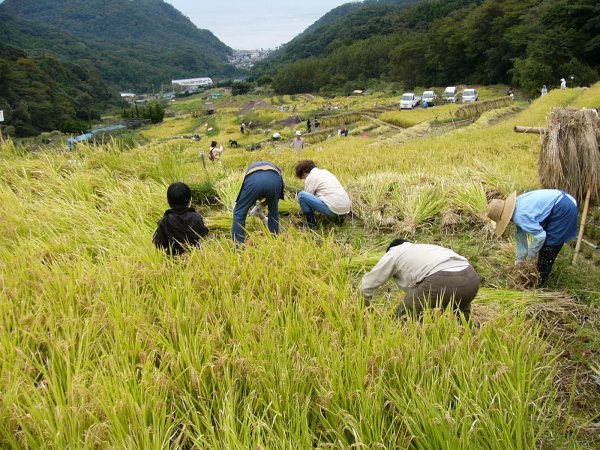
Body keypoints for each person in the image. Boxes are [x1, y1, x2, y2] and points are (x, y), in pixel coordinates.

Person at [361, 239, 480, 320]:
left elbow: (368, 285)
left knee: (405, 312)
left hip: (442, 279)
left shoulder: (394, 252)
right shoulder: (425, 248)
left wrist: (361, 308)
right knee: (461, 312)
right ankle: (469, 334)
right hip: (471, 278)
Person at [487, 189, 578, 286]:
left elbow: (540, 236)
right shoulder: (516, 206)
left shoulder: (519, 216)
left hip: (564, 207)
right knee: (544, 248)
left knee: (548, 248)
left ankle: (540, 284)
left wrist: (531, 254)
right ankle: (539, 277)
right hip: (560, 200)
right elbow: (521, 239)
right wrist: (519, 262)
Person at [232, 161, 284, 244]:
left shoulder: (250, 170)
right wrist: (262, 205)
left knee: (239, 213)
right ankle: (274, 241)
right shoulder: (278, 175)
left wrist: (244, 205)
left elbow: (251, 194)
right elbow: (273, 198)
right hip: (274, 182)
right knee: (273, 212)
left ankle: (238, 246)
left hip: (253, 182)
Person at [153, 182, 208, 255]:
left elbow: (158, 244)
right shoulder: (195, 217)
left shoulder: (165, 220)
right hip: (196, 256)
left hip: (173, 260)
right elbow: (203, 232)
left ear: (168, 201)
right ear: (189, 199)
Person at [294, 160, 351, 229]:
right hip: (345, 209)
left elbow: (306, 197)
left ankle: (311, 225)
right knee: (327, 198)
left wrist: (297, 198)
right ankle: (338, 220)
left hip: (334, 210)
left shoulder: (311, 177)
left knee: (301, 195)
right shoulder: (325, 172)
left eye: (303, 177)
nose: (304, 179)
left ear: (304, 172)